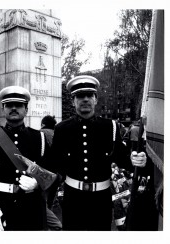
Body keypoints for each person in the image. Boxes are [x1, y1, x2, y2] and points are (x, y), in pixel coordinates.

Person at [50, 75, 147, 230]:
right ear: (73, 100)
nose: (85, 99)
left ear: (95, 99)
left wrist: (138, 160)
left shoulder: (110, 127)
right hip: (73, 200)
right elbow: (54, 163)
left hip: (101, 201)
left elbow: (123, 159)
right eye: (80, 96)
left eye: (90, 95)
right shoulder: (62, 129)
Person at [0, 86, 50, 231]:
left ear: (26, 110)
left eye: (19, 105)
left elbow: (53, 171)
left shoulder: (39, 138)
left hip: (32, 208)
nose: (14, 108)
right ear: (3, 109)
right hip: (2, 207)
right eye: (9, 105)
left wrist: (37, 182)